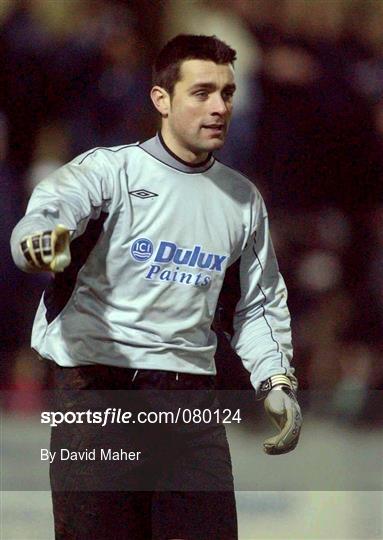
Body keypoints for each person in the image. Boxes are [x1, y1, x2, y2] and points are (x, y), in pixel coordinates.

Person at [10, 34, 302, 540]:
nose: (219, 108)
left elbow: (256, 303)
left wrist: (275, 379)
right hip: (98, 395)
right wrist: (42, 243)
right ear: (161, 100)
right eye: (202, 92)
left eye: (227, 94)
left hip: (191, 403)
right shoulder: (109, 171)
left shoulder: (242, 200)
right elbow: (43, 222)